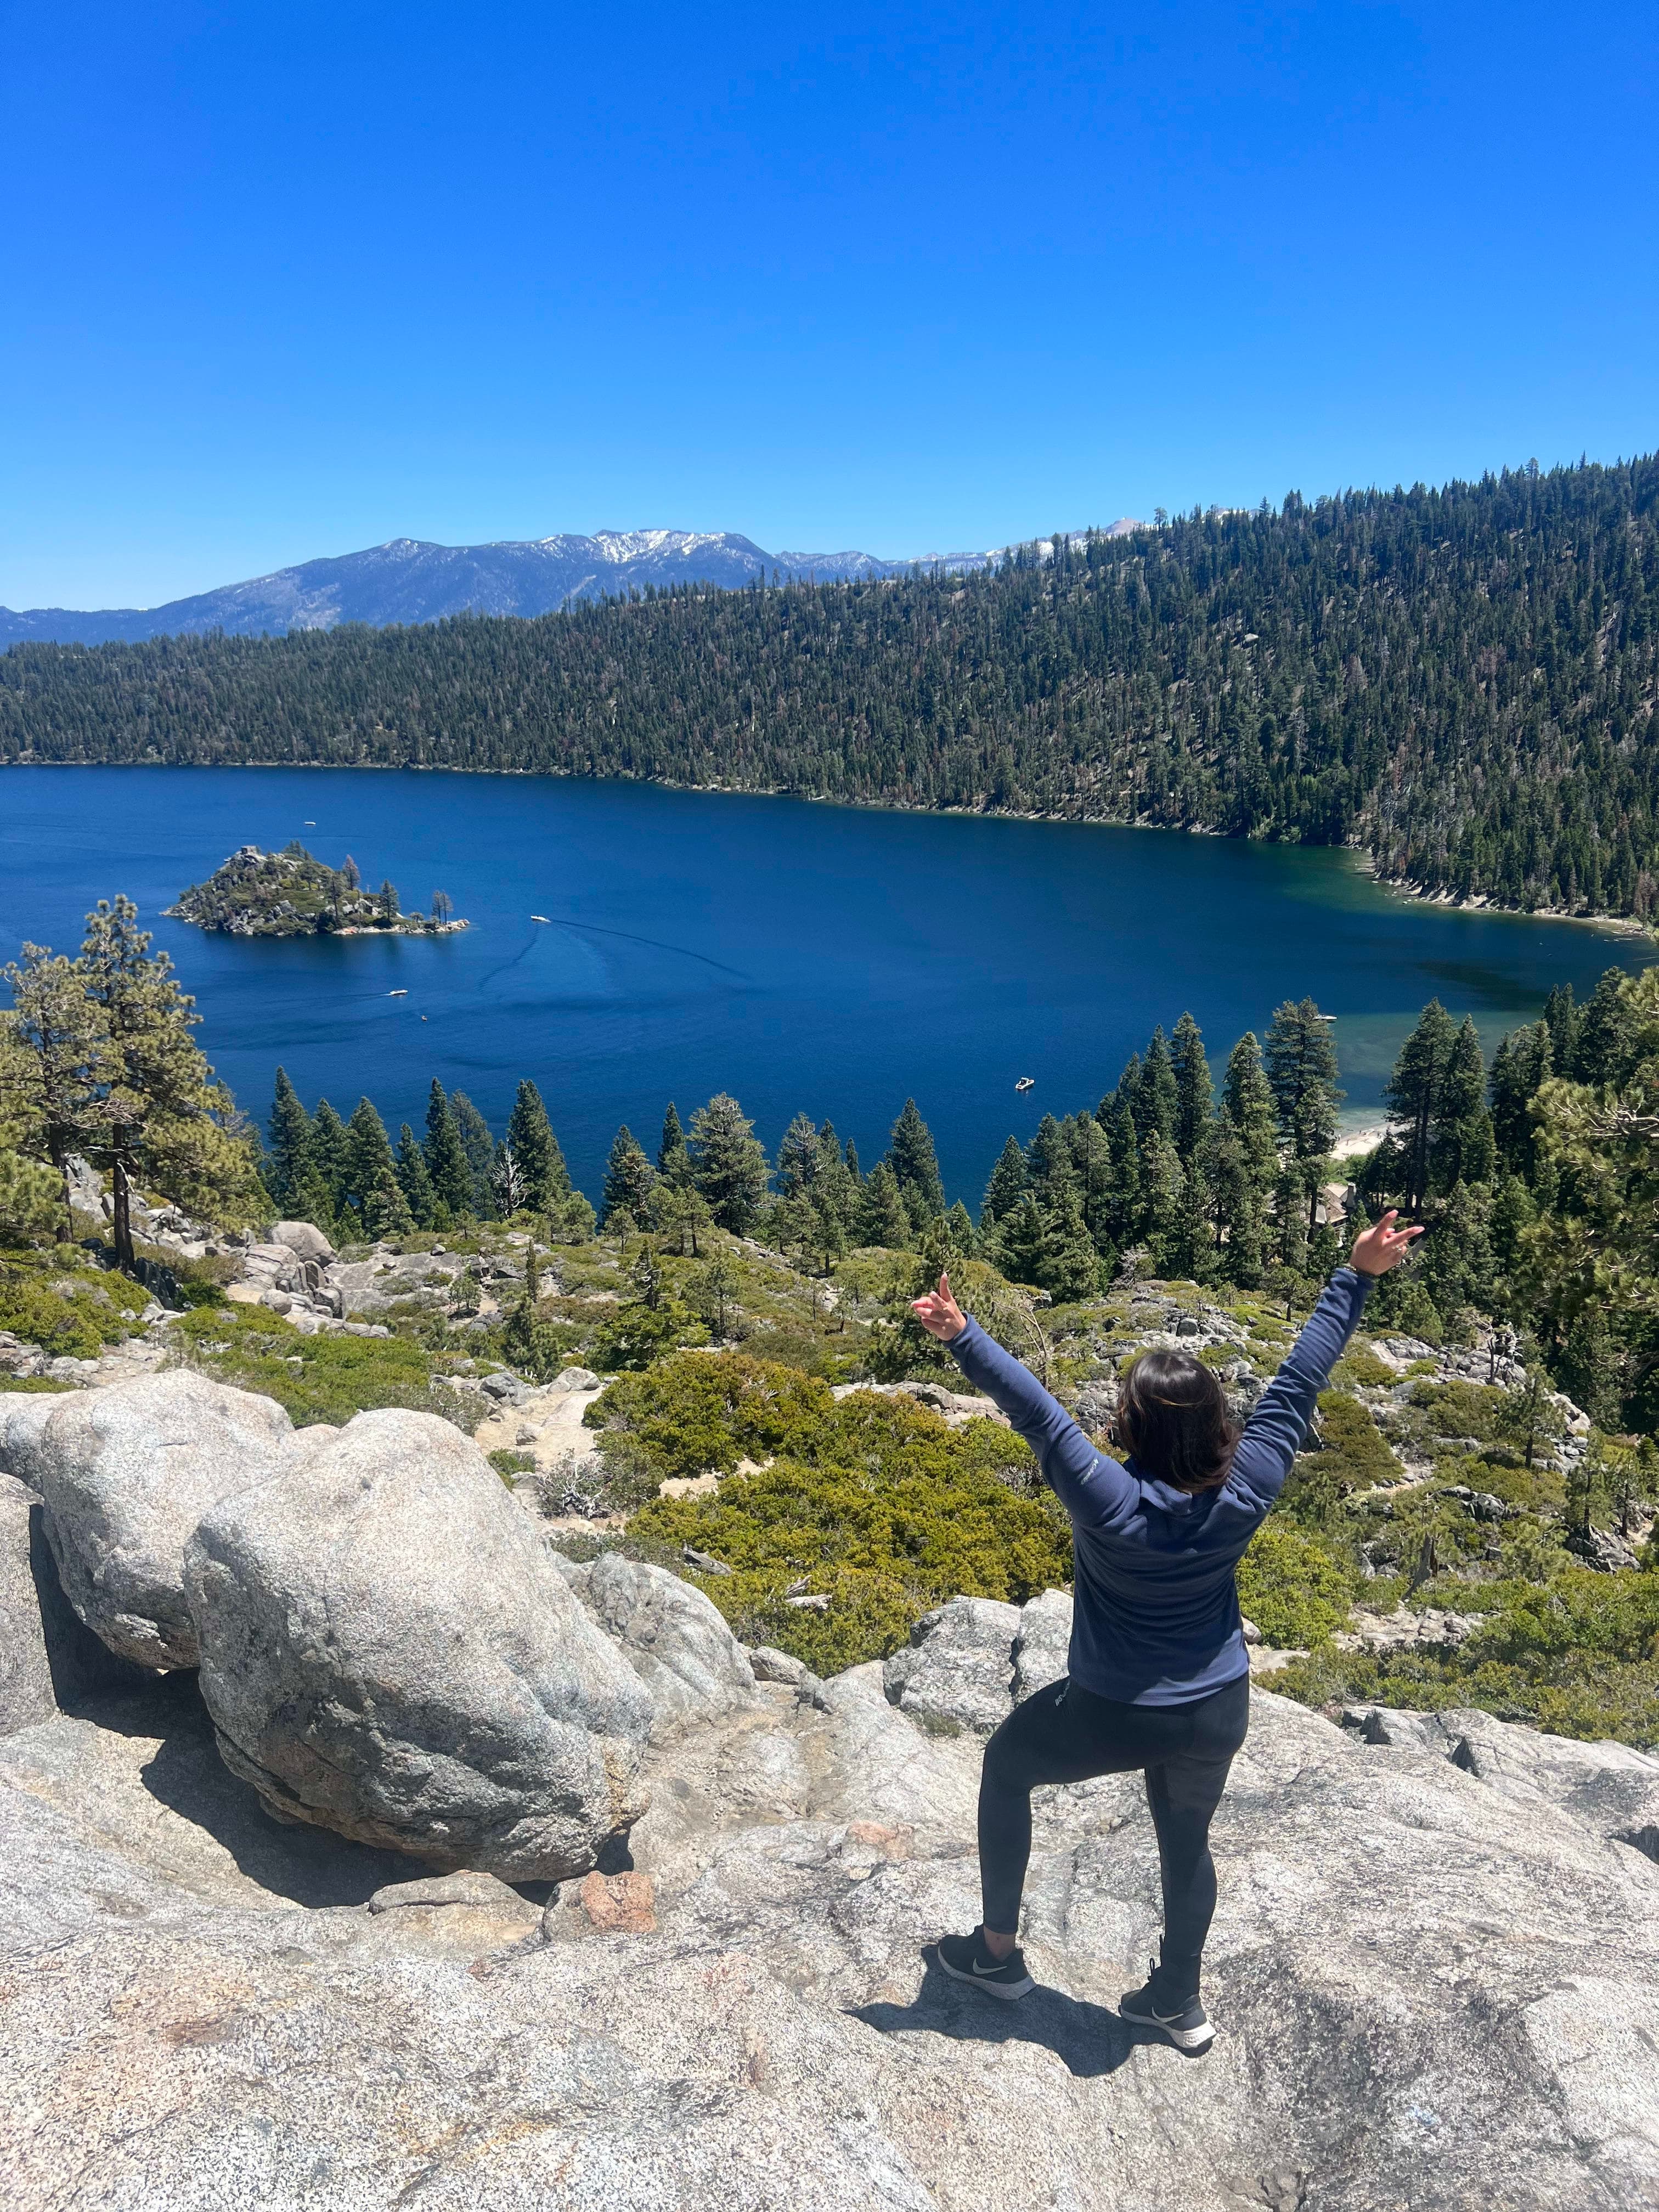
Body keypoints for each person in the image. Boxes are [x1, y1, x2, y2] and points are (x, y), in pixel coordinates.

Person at [910, 1209, 1423, 2054]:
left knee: (1006, 1767)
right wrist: (1357, 1276)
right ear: (1219, 1421)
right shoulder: (1250, 1482)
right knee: (1185, 1843)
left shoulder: (1108, 1500)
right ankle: (1176, 2003)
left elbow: (1038, 1414)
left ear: (1133, 1430)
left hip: (1115, 1710)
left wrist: (965, 1337)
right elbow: (1300, 1377)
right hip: (1217, 1707)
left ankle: (996, 1957)